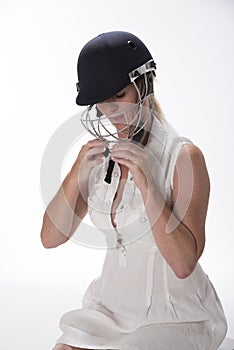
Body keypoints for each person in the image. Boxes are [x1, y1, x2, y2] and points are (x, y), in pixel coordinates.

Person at [40, 31, 227, 350]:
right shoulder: (102, 159)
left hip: (173, 316)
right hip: (108, 310)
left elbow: (183, 265)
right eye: (102, 101)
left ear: (145, 85)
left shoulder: (184, 158)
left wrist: (147, 183)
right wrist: (77, 172)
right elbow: (50, 238)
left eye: (120, 95)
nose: (112, 112)